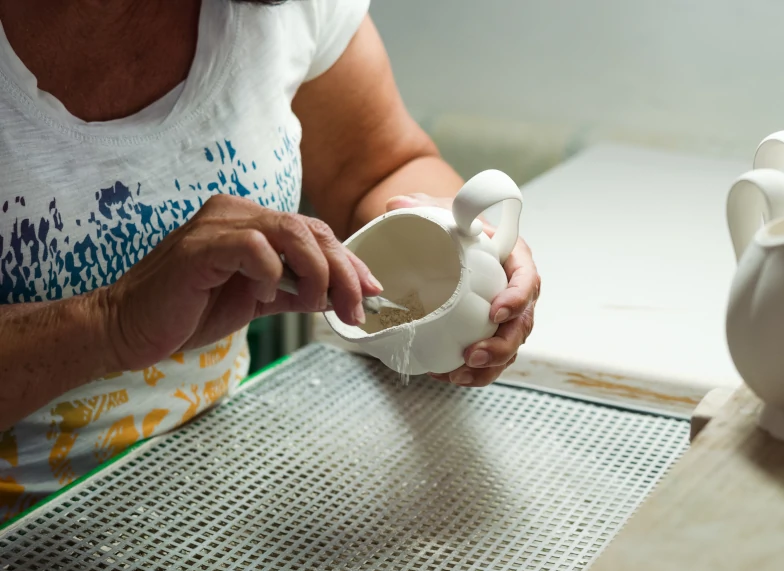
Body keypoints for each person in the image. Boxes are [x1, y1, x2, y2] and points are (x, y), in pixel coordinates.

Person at [0, 0, 541, 521]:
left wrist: (460, 238)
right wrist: (109, 323)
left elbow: (378, 168)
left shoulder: (283, 8)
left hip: (202, 485)